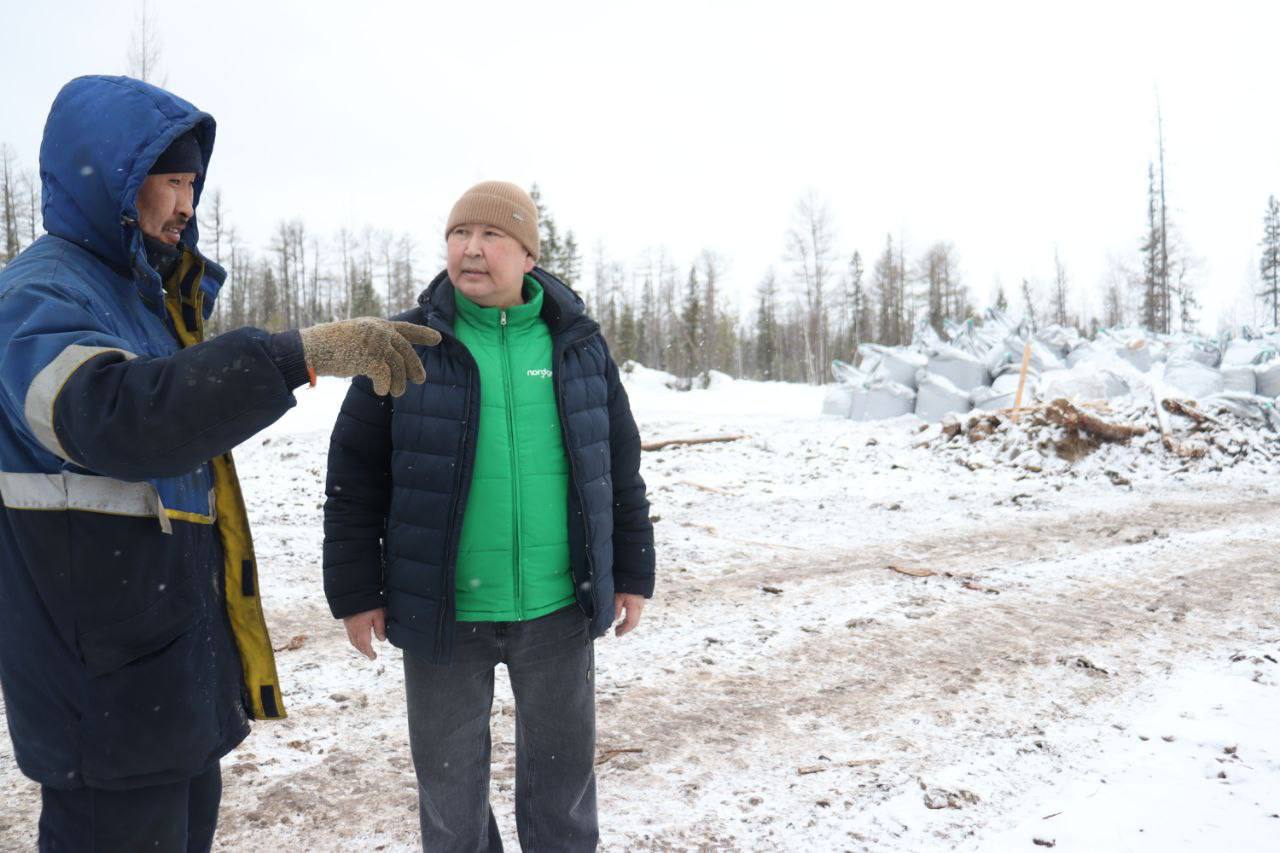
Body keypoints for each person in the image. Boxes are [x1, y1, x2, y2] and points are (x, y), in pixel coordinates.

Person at [0, 75, 439, 852]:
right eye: (169, 181)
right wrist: (296, 355)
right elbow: (119, 417)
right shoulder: (39, 298)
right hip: (100, 702)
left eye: (192, 184)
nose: (185, 204)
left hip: (162, 689)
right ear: (111, 180)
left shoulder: (138, 299)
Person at [324, 181, 656, 851]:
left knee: (563, 789)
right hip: (443, 613)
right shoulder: (402, 345)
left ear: (529, 255)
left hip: (558, 607)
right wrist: (357, 593)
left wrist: (633, 571)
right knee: (450, 798)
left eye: (491, 235)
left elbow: (618, 466)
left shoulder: (578, 346)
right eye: (459, 234)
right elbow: (353, 479)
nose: (471, 249)